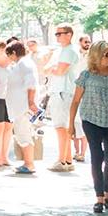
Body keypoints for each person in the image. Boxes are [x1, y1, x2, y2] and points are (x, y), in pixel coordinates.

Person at [68, 42, 108, 213]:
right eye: (105, 54)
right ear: (96, 56)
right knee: (96, 156)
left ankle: (107, 190)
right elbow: (76, 101)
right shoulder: (86, 75)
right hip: (91, 120)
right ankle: (99, 197)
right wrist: (71, 124)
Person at [43, 24, 83, 171]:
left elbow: (58, 71)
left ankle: (62, 160)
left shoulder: (68, 51)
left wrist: (52, 68)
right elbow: (47, 68)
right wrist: (52, 67)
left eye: (60, 33)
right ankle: (66, 159)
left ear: (69, 34)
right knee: (65, 127)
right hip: (63, 91)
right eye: (57, 34)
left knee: (61, 127)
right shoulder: (63, 51)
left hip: (63, 92)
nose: (58, 36)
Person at [1, 42, 40, 175]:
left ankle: (29, 164)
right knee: (22, 134)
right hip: (19, 106)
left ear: (13, 53)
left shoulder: (24, 63)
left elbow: (31, 83)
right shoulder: (21, 64)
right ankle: (28, 163)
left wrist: (30, 102)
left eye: (8, 54)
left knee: (23, 134)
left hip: (23, 107)